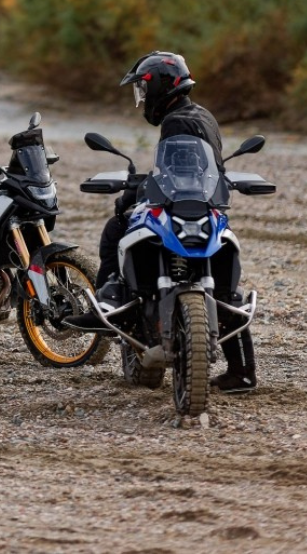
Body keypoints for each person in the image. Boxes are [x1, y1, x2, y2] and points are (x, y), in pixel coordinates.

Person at [74, 51, 257, 393]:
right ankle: (242, 371)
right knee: (227, 293)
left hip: (183, 204)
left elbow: (182, 173)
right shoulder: (200, 113)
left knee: (117, 227)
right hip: (206, 205)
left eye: (144, 88)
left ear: (159, 86)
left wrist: (132, 193)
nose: (142, 99)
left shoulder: (177, 122)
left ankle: (111, 296)